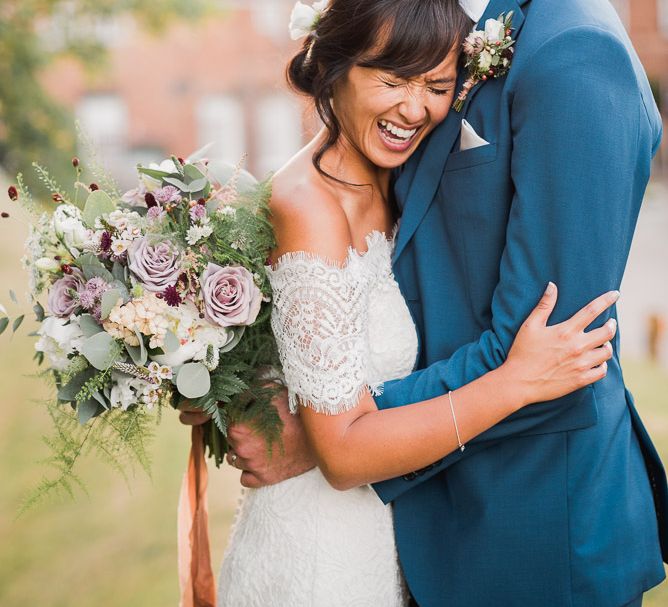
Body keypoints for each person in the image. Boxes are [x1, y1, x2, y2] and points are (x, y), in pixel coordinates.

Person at [180, 0, 667, 605]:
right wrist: (240, 377)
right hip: (407, 532)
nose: (417, 104)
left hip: (531, 533)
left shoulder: (572, 53)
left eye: (435, 86)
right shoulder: (428, 29)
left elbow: (556, 351)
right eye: (394, 80)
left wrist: (327, 431)